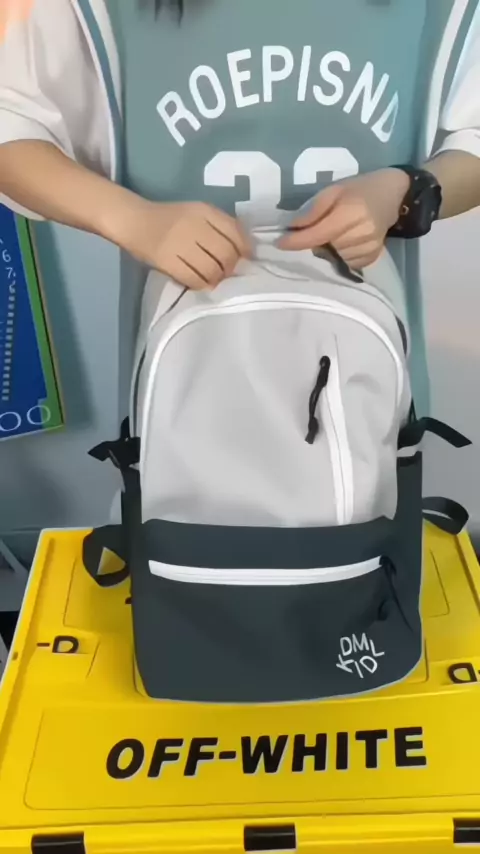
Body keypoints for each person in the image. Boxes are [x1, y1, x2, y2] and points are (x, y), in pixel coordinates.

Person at [0, 0, 479, 413]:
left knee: (372, 486)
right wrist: (133, 219)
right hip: (180, 402)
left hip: (368, 393)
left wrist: (407, 192)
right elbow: (11, 128)